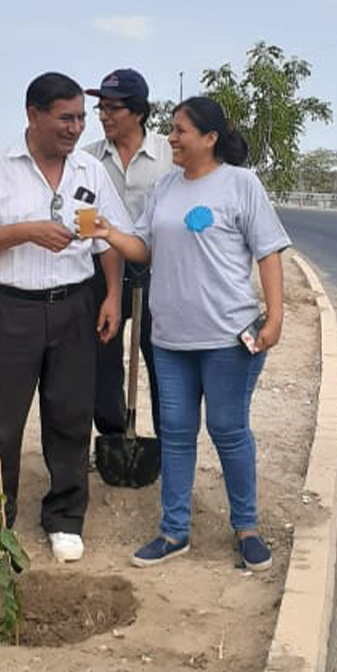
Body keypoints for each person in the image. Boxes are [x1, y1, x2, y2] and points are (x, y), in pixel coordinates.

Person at [92, 95, 291, 571]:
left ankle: (246, 528)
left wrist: (275, 316)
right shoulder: (165, 187)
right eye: (172, 129)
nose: (172, 139)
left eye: (180, 131)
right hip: (170, 339)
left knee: (228, 430)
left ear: (210, 138)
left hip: (227, 337)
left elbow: (268, 252)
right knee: (177, 434)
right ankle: (173, 530)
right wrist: (108, 233)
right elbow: (144, 248)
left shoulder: (241, 184)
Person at [0, 72, 130, 565]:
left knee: (70, 416)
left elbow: (108, 239)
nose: (76, 127)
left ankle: (65, 518)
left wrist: (112, 295)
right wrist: (26, 231)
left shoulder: (90, 171)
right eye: (65, 118)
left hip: (75, 305)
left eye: (80, 118)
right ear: (33, 115)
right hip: (10, 308)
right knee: (1, 419)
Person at [84, 68, 173, 442]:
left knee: (163, 358)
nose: (103, 116)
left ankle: (169, 442)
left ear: (138, 112)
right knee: (102, 358)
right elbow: (84, 217)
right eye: (100, 108)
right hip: (102, 268)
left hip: (159, 271)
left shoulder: (169, 155)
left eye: (113, 108)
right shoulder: (87, 159)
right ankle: (114, 438)